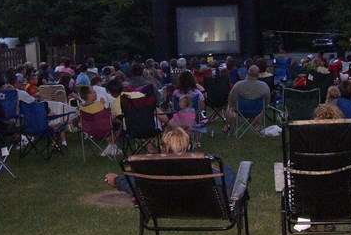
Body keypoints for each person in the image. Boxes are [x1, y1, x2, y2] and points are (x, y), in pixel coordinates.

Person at [104, 127, 236, 196]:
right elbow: (231, 180)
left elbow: (135, 186)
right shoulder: (206, 163)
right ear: (189, 146)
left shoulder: (150, 167)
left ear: (162, 148)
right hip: (206, 205)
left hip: (165, 205)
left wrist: (116, 180)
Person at [225, 65, 271, 134]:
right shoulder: (264, 86)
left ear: (247, 73)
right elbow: (267, 101)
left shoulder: (238, 85)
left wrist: (233, 106)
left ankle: (227, 127)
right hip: (257, 111)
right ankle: (258, 127)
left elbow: (231, 98)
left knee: (229, 107)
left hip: (241, 110)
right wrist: (265, 106)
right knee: (262, 108)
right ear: (258, 74)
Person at [79, 85, 121, 157]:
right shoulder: (99, 105)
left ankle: (111, 147)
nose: (96, 94)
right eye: (94, 92)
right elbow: (107, 118)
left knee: (106, 125)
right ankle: (111, 145)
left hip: (90, 131)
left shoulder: (81, 108)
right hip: (102, 129)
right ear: (89, 95)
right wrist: (103, 104)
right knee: (120, 124)